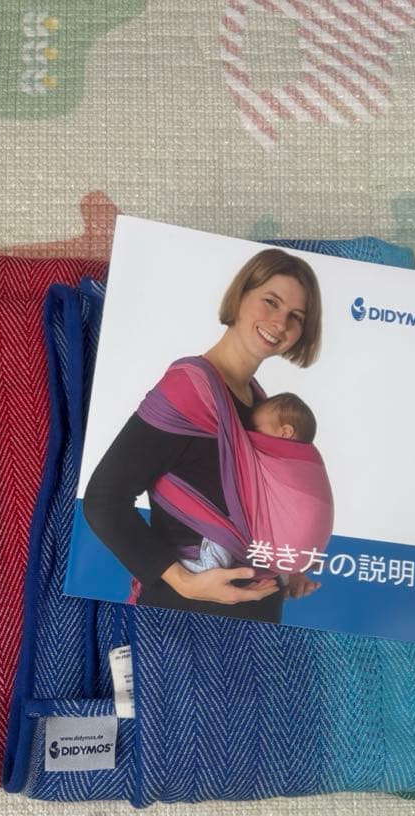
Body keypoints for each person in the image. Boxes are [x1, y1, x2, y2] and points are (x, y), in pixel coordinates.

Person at [83, 249, 324, 621]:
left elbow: (254, 512)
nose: (280, 323)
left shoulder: (261, 404)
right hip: (183, 618)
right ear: (240, 296)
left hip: (255, 620)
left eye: (296, 317)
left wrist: (284, 566)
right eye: (271, 302)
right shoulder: (190, 390)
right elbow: (104, 500)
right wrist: (185, 583)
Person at [179, 392, 322, 576]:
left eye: (255, 428)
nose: (248, 432)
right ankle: (281, 576)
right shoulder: (303, 465)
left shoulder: (281, 461)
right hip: (277, 540)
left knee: (228, 530)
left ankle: (207, 566)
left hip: (266, 527)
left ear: (286, 432)